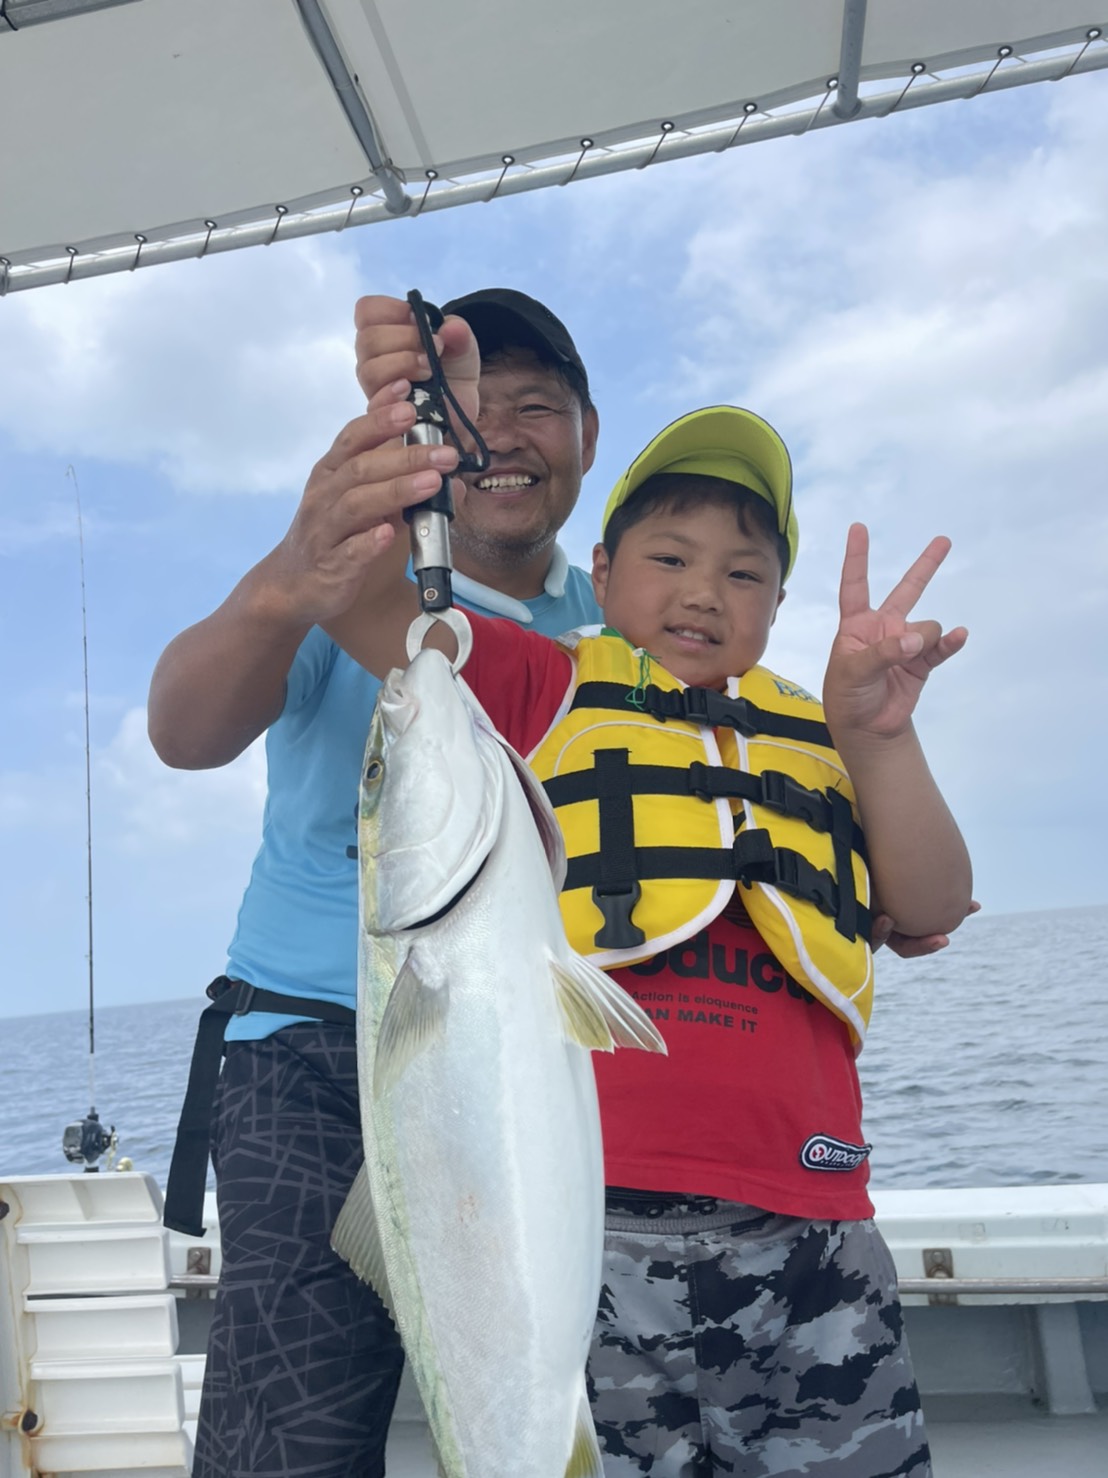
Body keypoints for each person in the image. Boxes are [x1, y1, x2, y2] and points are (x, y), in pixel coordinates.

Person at [323, 336, 973, 1475]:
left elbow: (932, 901)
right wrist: (411, 439)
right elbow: (369, 602)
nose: (703, 591)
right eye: (669, 557)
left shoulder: (824, 736)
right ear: (602, 569)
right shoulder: (544, 685)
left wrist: (880, 732)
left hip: (813, 1224)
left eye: (744, 574)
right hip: (592, 1237)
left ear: (778, 604)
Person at [147, 288, 601, 1478]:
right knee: (286, 1448)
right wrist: (292, 576)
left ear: (588, 434)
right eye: (477, 411)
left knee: (563, 1397)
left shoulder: (612, 623)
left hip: (533, 1060)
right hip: (304, 1056)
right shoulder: (340, 572)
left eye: (537, 407)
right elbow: (183, 726)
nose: (502, 436)